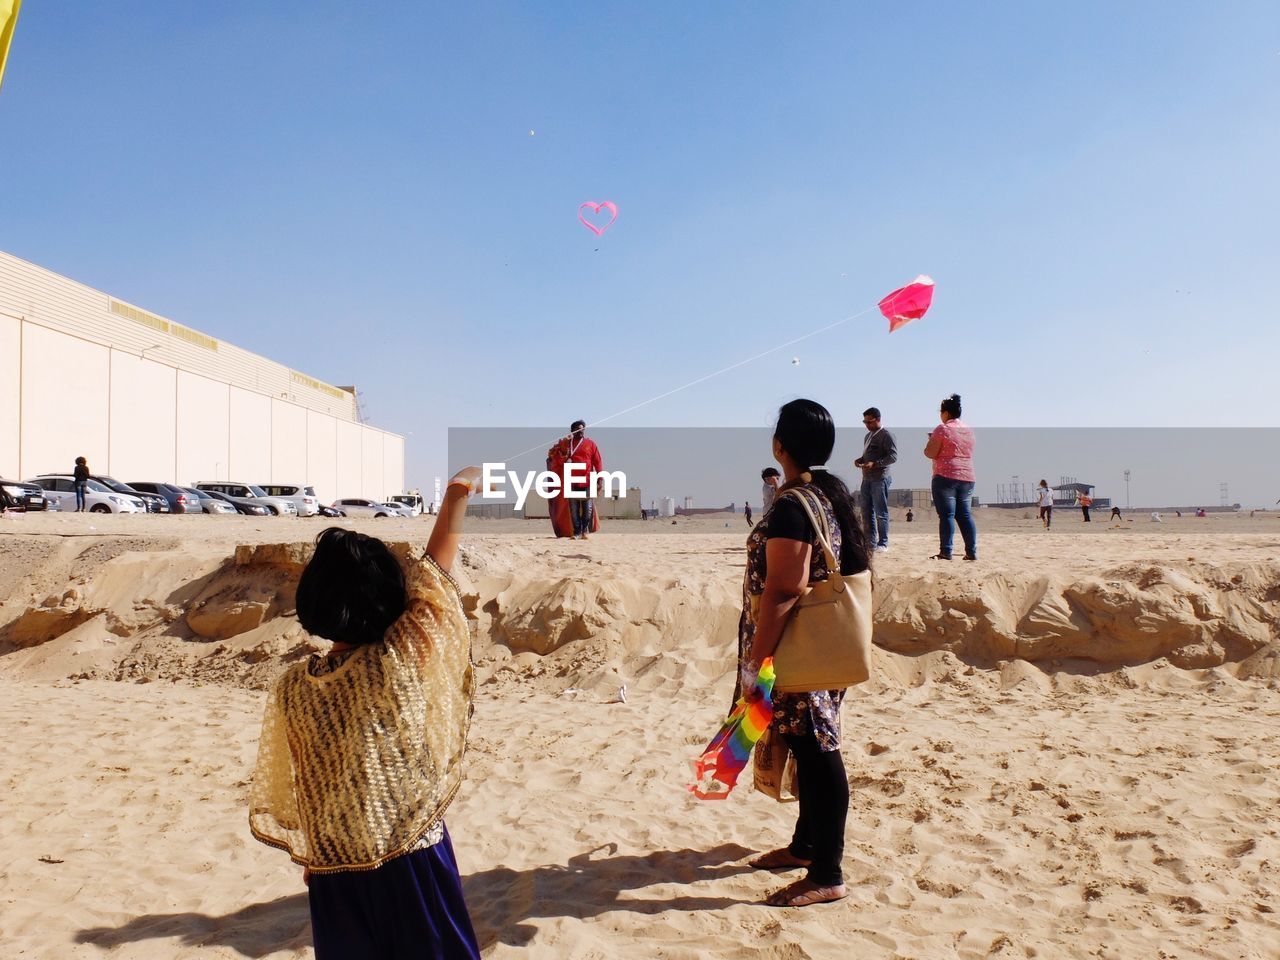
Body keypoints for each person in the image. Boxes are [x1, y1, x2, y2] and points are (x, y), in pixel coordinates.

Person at [249, 466, 484, 959]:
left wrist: (316, 851)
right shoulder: (395, 660)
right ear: (388, 601)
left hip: (334, 871)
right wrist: (457, 494)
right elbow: (436, 578)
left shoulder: (293, 687)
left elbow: (307, 776)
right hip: (411, 860)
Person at [739, 399, 872, 908]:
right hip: (816, 643)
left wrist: (757, 659)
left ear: (780, 446)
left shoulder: (795, 506)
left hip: (799, 646)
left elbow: (784, 590)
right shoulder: (823, 494)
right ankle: (804, 847)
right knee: (801, 741)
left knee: (817, 752)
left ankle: (827, 872)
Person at [923, 394, 977, 560]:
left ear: (945, 413)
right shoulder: (968, 430)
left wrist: (931, 440)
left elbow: (930, 452)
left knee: (947, 515)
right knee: (965, 515)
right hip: (967, 476)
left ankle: (946, 551)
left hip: (945, 475)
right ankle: (971, 552)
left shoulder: (942, 429)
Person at [853, 406, 897, 552]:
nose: (867, 425)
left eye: (869, 422)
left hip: (880, 478)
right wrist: (860, 460)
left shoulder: (886, 435)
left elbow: (892, 457)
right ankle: (870, 543)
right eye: (864, 422)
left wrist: (875, 464)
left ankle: (883, 543)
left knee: (880, 512)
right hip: (866, 478)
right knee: (866, 511)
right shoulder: (868, 436)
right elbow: (869, 454)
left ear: (878, 419)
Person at [565, 420, 603, 539]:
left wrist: (600, 477)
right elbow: (555, 453)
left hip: (588, 480)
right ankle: (576, 532)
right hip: (571, 480)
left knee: (587, 508)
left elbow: (598, 461)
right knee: (574, 508)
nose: (581, 431)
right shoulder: (567, 444)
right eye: (578, 429)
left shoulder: (590, 444)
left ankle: (584, 531)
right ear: (572, 431)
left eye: (582, 429)